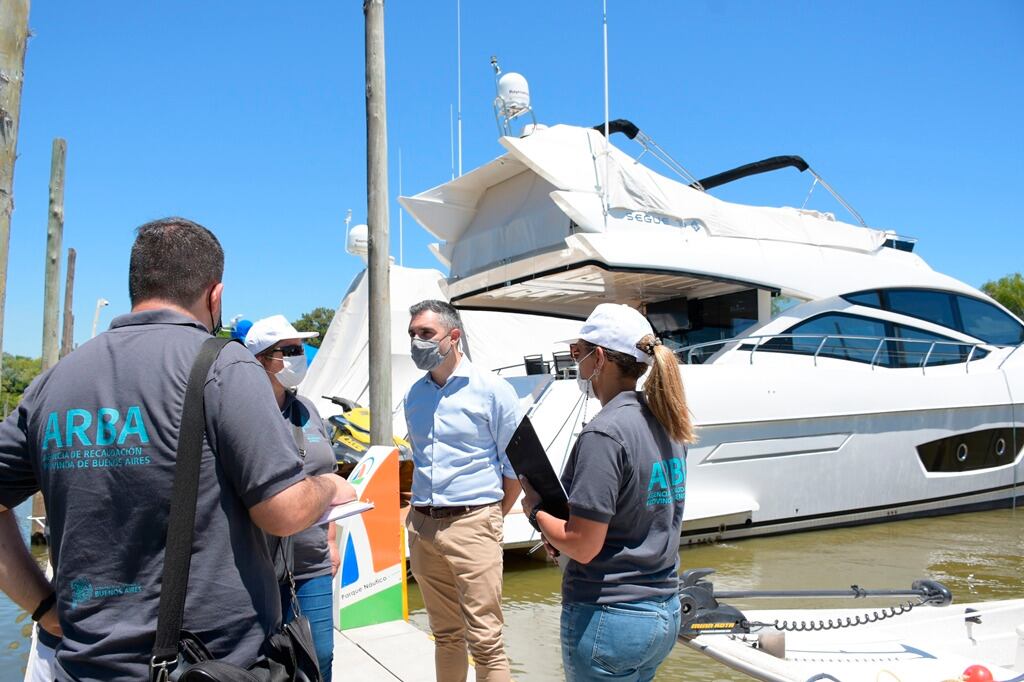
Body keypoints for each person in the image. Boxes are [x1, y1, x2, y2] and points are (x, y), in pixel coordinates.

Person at [0, 217, 354, 682]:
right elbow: (283, 511)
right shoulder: (222, 365)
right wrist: (328, 486)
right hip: (210, 664)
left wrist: (45, 606)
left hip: (82, 664)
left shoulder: (54, 382)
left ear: (136, 283)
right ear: (215, 295)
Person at [520, 303, 694, 682]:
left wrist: (535, 511)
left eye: (577, 353)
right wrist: (561, 532)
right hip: (661, 611)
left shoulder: (605, 433)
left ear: (598, 358)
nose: (576, 363)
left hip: (610, 616)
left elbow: (583, 545)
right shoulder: (669, 422)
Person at [403, 299, 521, 682]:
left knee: (486, 641)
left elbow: (515, 467)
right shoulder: (414, 395)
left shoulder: (493, 391)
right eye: (412, 334)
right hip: (423, 526)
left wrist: (489, 519)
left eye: (426, 333)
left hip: (474, 522)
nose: (417, 341)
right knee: (445, 636)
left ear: (453, 337)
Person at [244, 314, 340, 681]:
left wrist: (330, 540)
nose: (300, 356)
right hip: (256, 568)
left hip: (310, 563)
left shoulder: (308, 410)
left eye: (301, 349)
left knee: (320, 658)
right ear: (261, 360)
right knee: (267, 666)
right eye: (290, 350)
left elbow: (325, 475)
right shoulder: (243, 414)